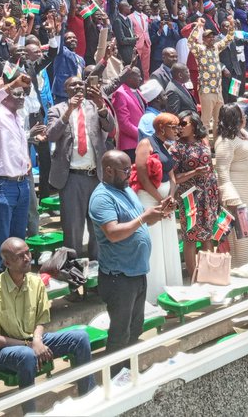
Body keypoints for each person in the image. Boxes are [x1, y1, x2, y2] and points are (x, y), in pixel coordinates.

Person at [0, 236, 94, 394]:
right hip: (5, 351)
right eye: (20, 256)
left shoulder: (36, 282)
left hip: (34, 341)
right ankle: (30, 410)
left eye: (28, 253)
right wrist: (29, 345)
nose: (27, 259)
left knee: (81, 338)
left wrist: (36, 340)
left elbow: (41, 319)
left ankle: (88, 394)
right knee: (27, 355)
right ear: (7, 263)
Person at [89, 150, 173, 371]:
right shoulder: (101, 198)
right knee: (120, 333)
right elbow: (114, 233)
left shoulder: (126, 189)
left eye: (130, 169)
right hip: (118, 277)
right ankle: (116, 378)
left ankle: (128, 370)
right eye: (125, 170)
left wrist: (157, 214)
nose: (129, 174)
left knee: (135, 328)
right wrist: (144, 217)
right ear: (108, 171)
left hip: (137, 273)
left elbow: (141, 223)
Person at [0, 72, 47, 281]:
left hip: (21, 184)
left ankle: (15, 282)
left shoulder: (18, 117)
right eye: (17, 93)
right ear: (4, 96)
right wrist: (10, 85)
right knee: (0, 240)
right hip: (1, 185)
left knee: (18, 240)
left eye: (23, 93)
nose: (22, 96)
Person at [47, 75, 116, 260]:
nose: (78, 86)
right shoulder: (57, 109)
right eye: (73, 84)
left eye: (80, 83)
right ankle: (74, 270)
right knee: (73, 228)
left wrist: (102, 105)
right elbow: (51, 135)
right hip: (71, 178)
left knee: (98, 226)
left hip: (96, 176)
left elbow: (111, 127)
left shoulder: (95, 106)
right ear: (65, 89)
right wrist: (68, 111)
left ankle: (97, 268)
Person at [133, 112, 183, 301]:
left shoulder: (165, 146)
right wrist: (161, 200)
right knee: (154, 246)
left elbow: (171, 175)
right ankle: (153, 294)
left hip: (165, 201)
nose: (177, 130)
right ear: (162, 128)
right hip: (149, 199)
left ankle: (170, 288)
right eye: (174, 127)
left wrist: (170, 196)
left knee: (167, 243)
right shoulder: (146, 144)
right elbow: (143, 177)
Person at [170, 112, 220, 279]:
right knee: (190, 237)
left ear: (194, 125)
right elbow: (175, 178)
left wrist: (215, 191)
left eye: (184, 123)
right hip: (190, 196)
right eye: (179, 124)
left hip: (208, 193)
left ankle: (208, 275)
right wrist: (195, 172)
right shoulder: (176, 148)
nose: (180, 127)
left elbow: (210, 168)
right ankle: (193, 277)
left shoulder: (203, 141)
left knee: (207, 234)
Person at [213, 103, 248, 267]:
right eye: (242, 114)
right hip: (238, 197)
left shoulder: (242, 134)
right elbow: (222, 172)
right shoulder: (225, 141)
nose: (245, 117)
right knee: (242, 238)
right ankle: (242, 271)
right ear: (235, 118)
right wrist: (234, 201)